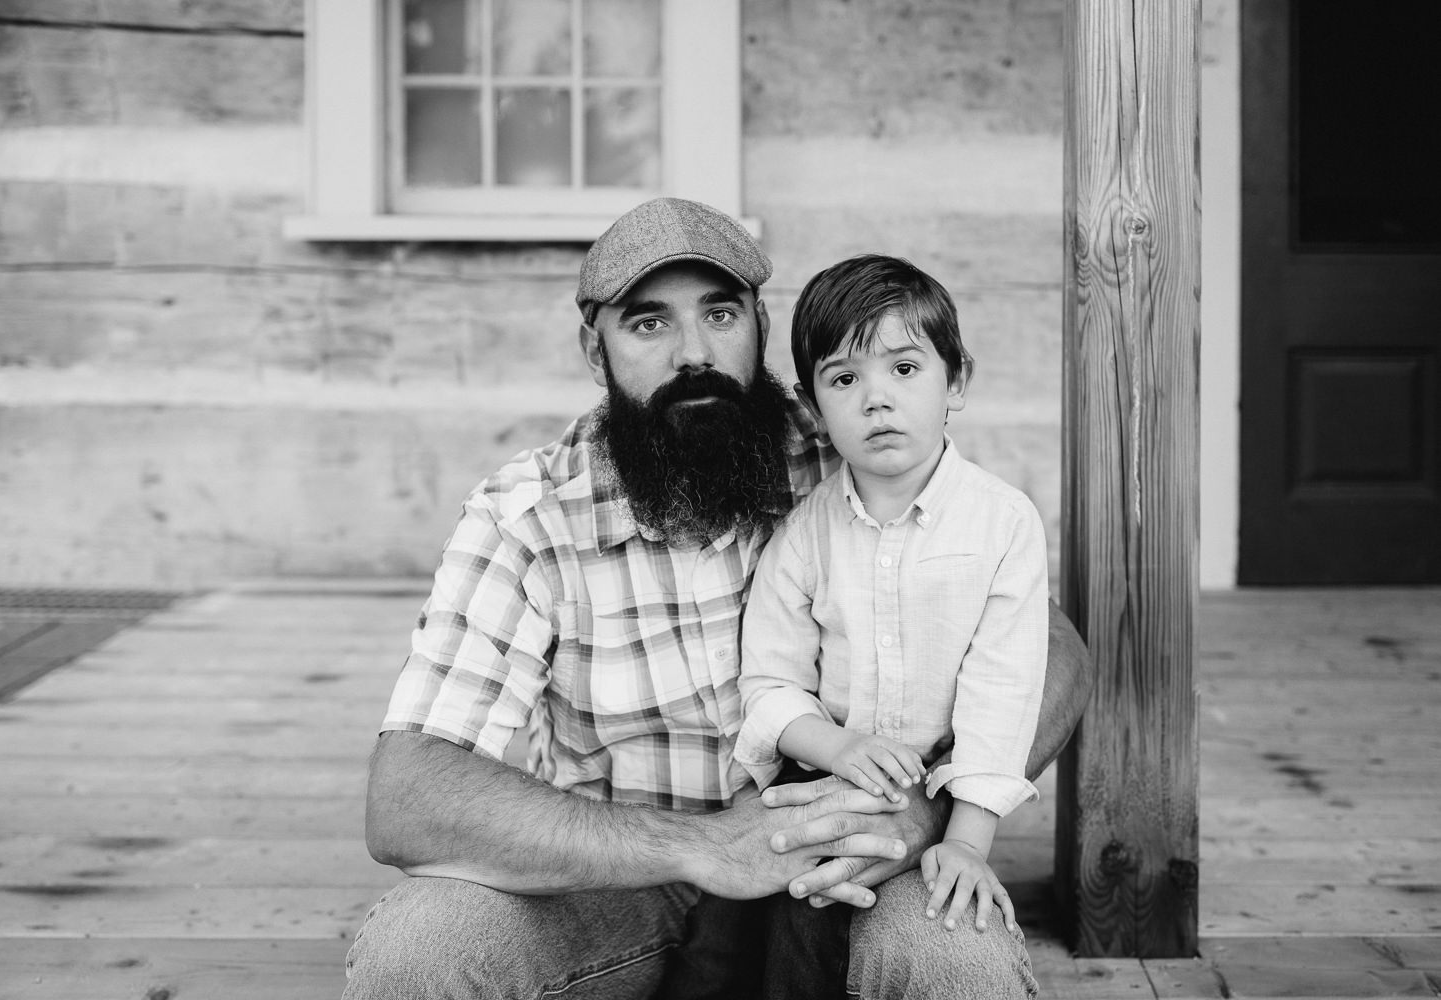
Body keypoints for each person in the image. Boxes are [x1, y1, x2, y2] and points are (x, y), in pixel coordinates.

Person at [342, 198, 1091, 999]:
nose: (693, 353)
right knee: (415, 955)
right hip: (618, 881)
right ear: (595, 353)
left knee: (959, 963)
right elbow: (410, 796)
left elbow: (1052, 653)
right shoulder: (527, 517)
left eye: (720, 314)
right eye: (649, 323)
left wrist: (926, 817)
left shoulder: (847, 451)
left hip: (848, 858)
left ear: (759, 328)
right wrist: (698, 847)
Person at [735, 254, 1048, 996]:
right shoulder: (806, 533)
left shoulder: (1002, 524)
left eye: (905, 369)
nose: (877, 400)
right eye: (845, 379)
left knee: (941, 933)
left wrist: (968, 840)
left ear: (956, 382)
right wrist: (837, 746)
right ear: (812, 408)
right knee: (799, 901)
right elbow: (770, 681)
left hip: (940, 785)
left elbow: (1001, 690)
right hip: (823, 775)